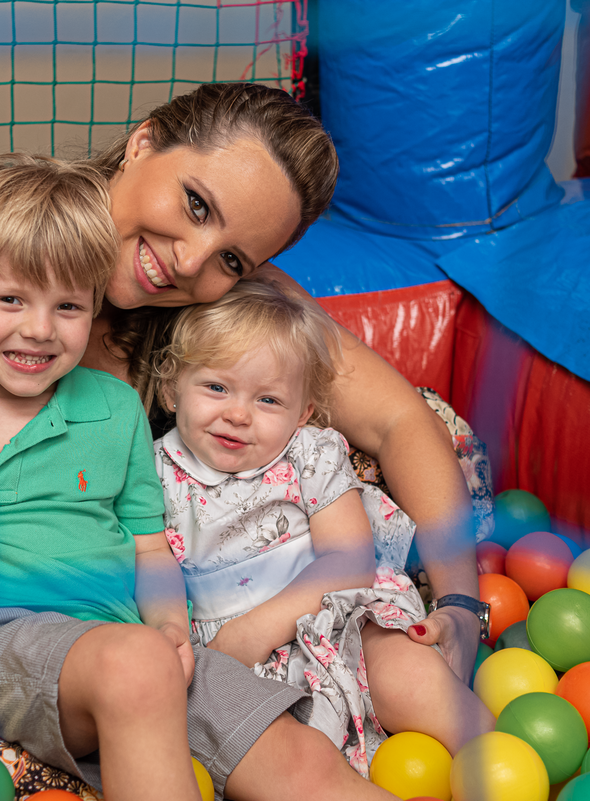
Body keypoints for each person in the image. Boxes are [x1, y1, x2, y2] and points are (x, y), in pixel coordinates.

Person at [0, 82, 481, 680]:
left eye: (234, 257)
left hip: (128, 633)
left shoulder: (231, 302)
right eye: (195, 204)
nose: (190, 261)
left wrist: (460, 604)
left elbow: (399, 420)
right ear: (143, 143)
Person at [0, 152, 397, 801]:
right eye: (10, 299)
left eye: (68, 305)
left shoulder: (115, 408)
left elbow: (148, 546)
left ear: (94, 307)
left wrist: (171, 625)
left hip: (130, 642)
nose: (39, 329)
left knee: (301, 756)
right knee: (136, 666)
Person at [150, 279, 494, 777]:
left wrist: (258, 627)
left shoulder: (309, 454)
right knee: (276, 757)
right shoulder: (152, 472)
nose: (238, 414)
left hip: (338, 617)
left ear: (303, 412)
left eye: (269, 400)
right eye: (217, 387)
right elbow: (150, 565)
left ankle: (497, 759)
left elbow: (349, 559)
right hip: (233, 661)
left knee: (409, 676)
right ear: (170, 388)